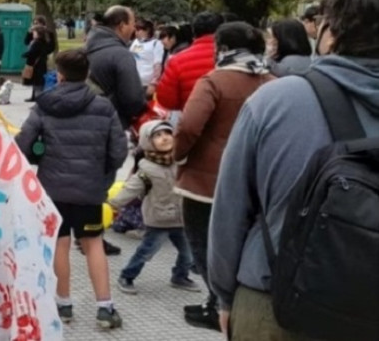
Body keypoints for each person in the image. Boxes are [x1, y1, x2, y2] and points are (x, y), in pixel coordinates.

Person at [210, 0, 379, 338]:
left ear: (331, 32)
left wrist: (225, 297)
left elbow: (230, 212)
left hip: (276, 301)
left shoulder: (277, 100)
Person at [15, 49, 128, 329]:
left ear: (60, 75)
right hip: (90, 190)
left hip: (53, 190)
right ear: (87, 73)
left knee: (59, 244)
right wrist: (103, 177)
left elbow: (22, 145)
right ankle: (105, 308)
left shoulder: (43, 105)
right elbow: (118, 151)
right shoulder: (104, 107)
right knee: (93, 244)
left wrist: (38, 158)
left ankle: (63, 305)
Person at [174, 22, 274, 331]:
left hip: (207, 183)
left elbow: (189, 126)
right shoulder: (273, 81)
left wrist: (178, 155)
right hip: (258, 181)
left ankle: (219, 303)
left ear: (223, 48)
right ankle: (230, 302)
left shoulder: (214, 81)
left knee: (205, 246)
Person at [110, 120, 200, 294]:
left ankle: (179, 276)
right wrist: (112, 204)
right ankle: (127, 275)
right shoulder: (147, 170)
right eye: (157, 135)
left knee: (188, 253)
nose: (164, 138)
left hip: (181, 217)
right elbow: (131, 189)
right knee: (146, 252)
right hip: (158, 220)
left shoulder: (180, 162)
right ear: (147, 142)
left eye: (167, 133)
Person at [85, 5, 146, 128]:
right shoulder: (121, 55)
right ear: (122, 26)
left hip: (86, 122)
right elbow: (133, 100)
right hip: (113, 123)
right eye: (133, 24)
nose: (134, 29)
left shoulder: (86, 49)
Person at [157, 12, 224, 112]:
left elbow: (166, 100)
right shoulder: (233, 59)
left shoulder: (176, 61)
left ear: (194, 31)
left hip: (189, 117)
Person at [130, 18, 165, 98]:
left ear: (147, 30)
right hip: (133, 81)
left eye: (139, 30)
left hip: (146, 84)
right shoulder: (135, 42)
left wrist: (153, 83)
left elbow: (157, 65)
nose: (136, 33)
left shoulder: (156, 44)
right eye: (136, 30)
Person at [22, 25, 50, 103]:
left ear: (38, 33)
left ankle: (39, 103)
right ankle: (36, 100)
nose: (33, 34)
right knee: (37, 85)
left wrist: (24, 55)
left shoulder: (37, 42)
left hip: (37, 66)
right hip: (40, 65)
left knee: (38, 85)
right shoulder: (43, 42)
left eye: (34, 32)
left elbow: (32, 53)